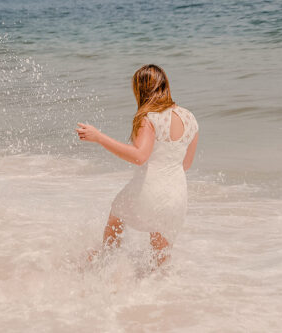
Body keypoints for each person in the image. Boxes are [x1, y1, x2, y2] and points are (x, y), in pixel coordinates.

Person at [76, 64, 199, 266]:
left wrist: (99, 137)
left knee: (116, 220)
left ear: (140, 90)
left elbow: (139, 156)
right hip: (177, 194)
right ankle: (162, 294)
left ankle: (105, 270)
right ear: (165, 85)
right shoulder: (190, 118)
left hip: (149, 190)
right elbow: (186, 163)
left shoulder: (148, 117)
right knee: (160, 259)